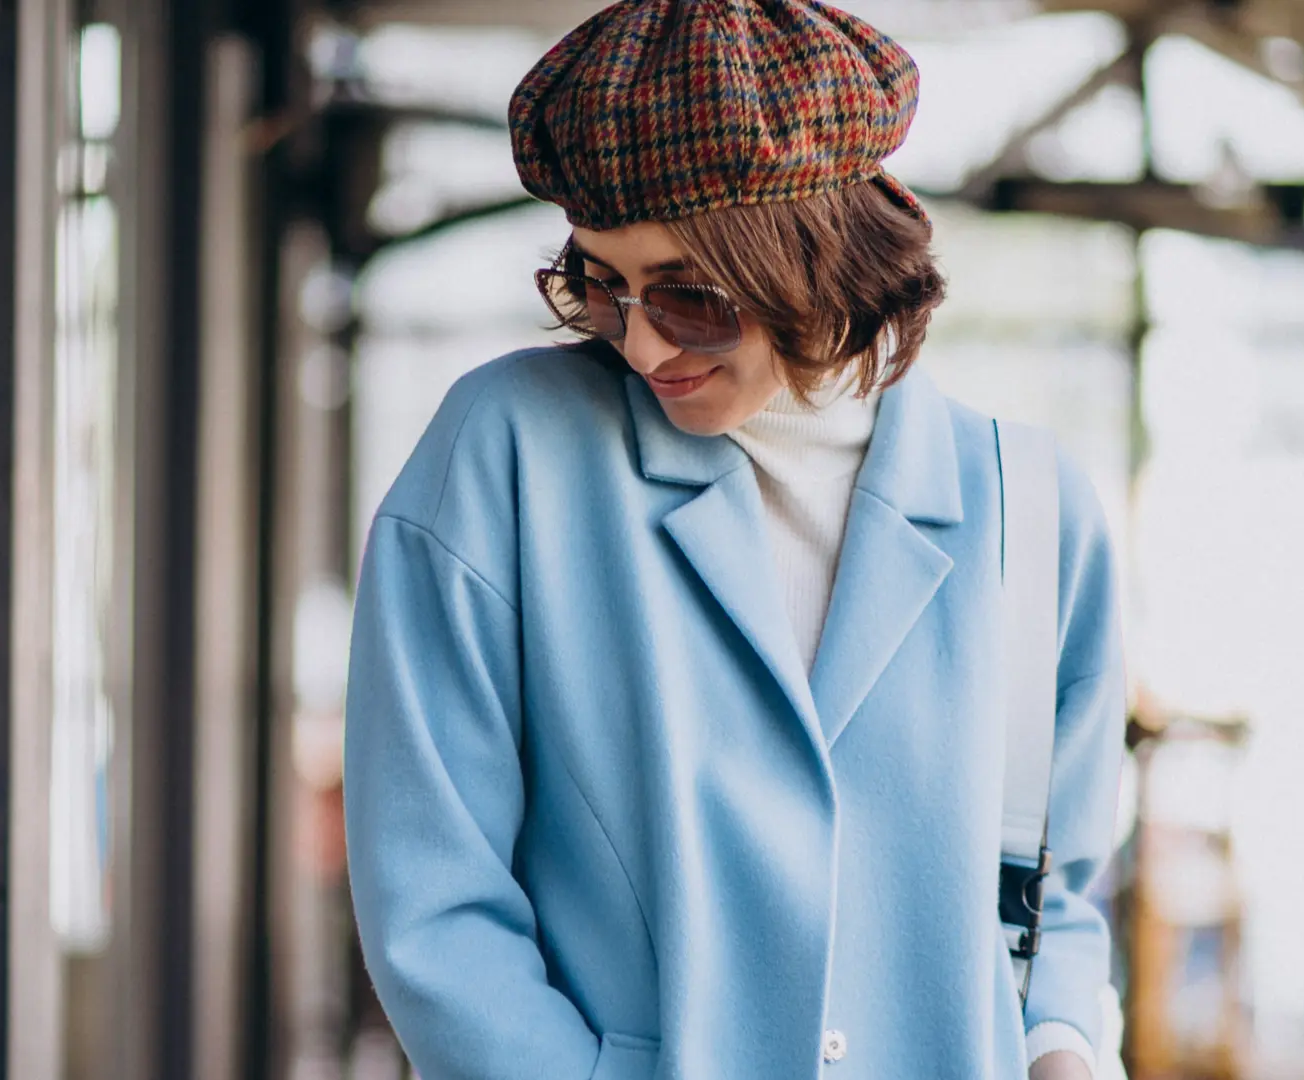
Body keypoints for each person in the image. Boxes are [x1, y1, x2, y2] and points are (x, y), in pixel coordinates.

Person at [342, 2, 1127, 1078]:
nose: (646, 342)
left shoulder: (1032, 512)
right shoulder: (506, 460)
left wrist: (1063, 1047)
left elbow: (1056, 894)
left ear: (824, 249)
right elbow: (434, 902)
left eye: (694, 296)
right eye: (600, 287)